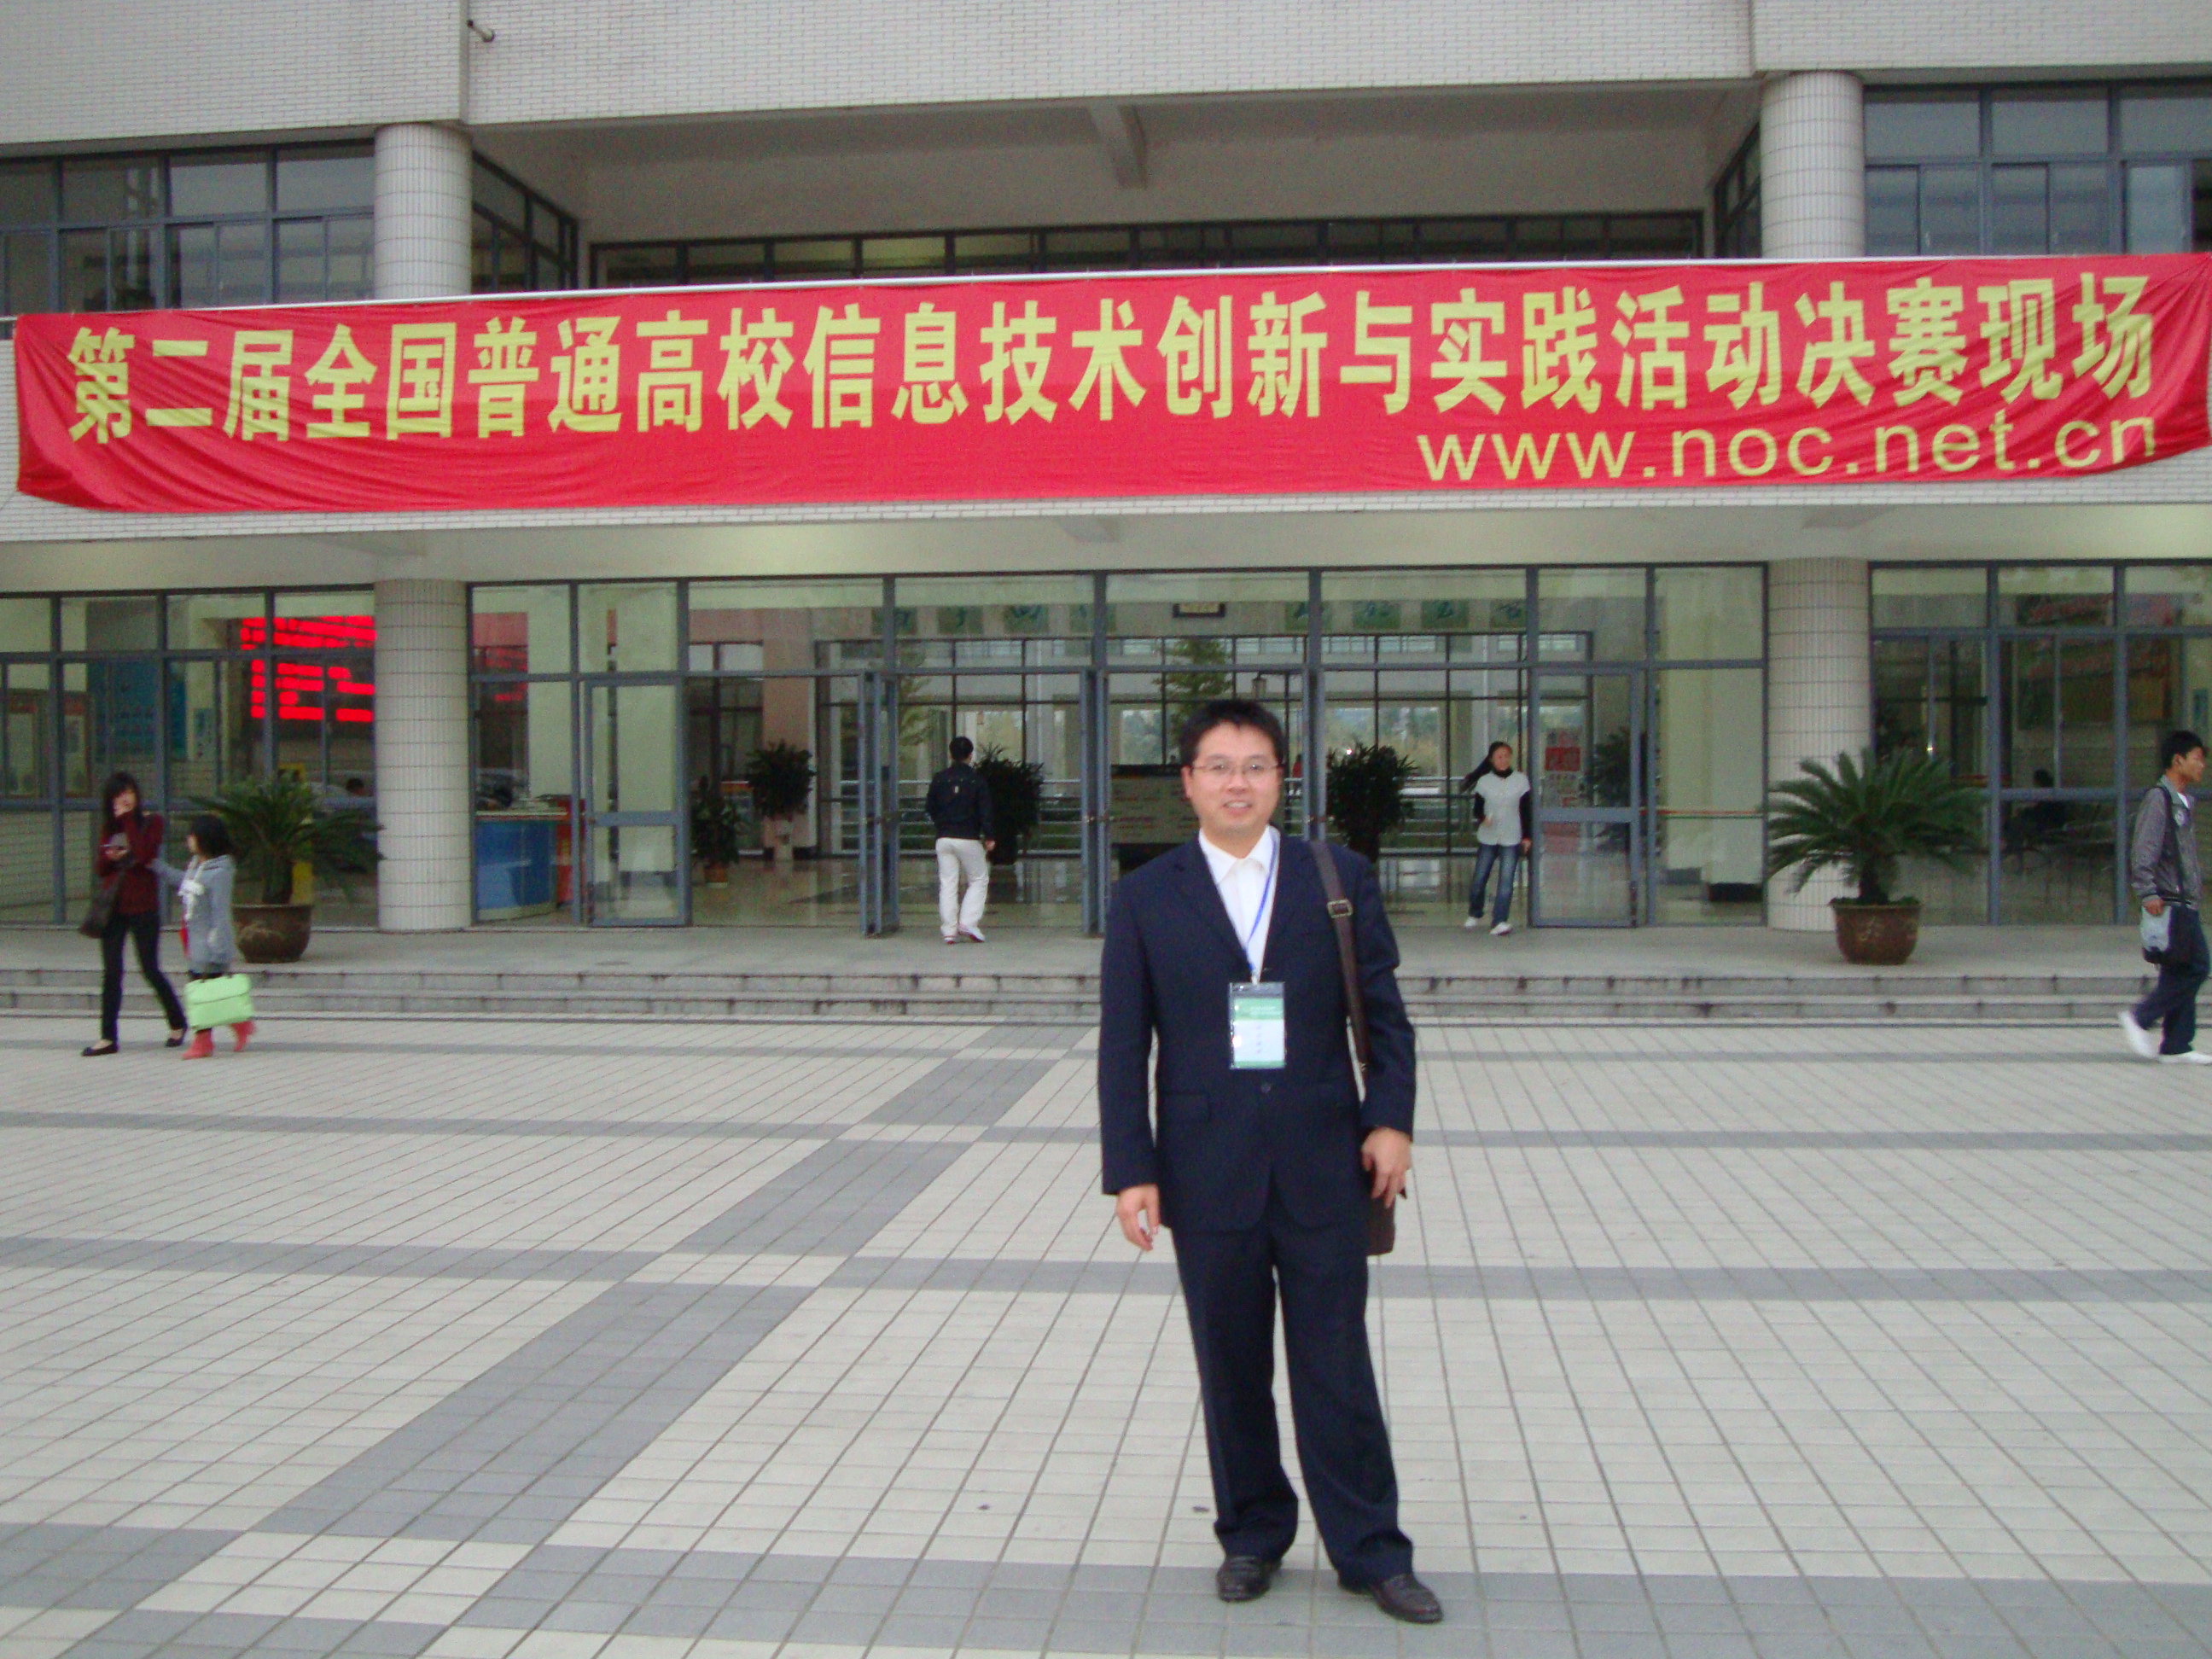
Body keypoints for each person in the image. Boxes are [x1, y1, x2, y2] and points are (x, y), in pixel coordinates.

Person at [1098, 697, 1441, 1627]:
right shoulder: (1146, 895)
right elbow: (1124, 1045)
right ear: (1187, 782)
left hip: (1324, 1159)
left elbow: (1386, 1016)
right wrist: (1132, 1169)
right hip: (1206, 1169)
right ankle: (1252, 1534)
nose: (1236, 783)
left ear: (1281, 778)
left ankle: (1372, 1550)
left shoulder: (1338, 879)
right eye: (1217, 766)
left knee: (1336, 1363)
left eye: (1254, 766)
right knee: (1232, 1367)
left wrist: (1391, 1120)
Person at [82, 771, 187, 1057]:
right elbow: (100, 869)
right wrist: (110, 857)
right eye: (118, 795)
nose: (124, 799)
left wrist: (129, 820)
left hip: (143, 908)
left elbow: (143, 855)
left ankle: (177, 1022)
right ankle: (107, 1037)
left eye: (128, 792)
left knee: (149, 967)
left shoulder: (153, 822)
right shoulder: (109, 827)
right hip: (113, 908)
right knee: (111, 972)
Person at [2123, 730, 2211, 1063]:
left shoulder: (2183, 801)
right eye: (2197, 758)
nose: (2202, 765)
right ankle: (2141, 1017)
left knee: (2180, 969)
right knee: (2197, 967)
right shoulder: (2159, 799)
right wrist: (2147, 891)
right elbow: (2144, 850)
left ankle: (2176, 1045)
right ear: (2178, 760)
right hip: (2170, 902)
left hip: (2185, 900)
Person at [155, 814, 253, 1060]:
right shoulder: (197, 866)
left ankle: (203, 1041)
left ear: (206, 839)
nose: (189, 839)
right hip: (195, 939)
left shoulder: (219, 872)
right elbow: (183, 882)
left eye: (193, 835)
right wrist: (155, 866)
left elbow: (221, 912)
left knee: (199, 994)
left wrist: (220, 949)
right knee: (210, 994)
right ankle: (239, 1025)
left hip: (209, 944)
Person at [925, 736, 995, 943]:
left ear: (951, 755)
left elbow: (930, 807)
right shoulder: (977, 780)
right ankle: (968, 922)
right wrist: (989, 835)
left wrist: (941, 824)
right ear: (970, 755)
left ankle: (949, 930)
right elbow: (985, 811)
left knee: (948, 882)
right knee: (979, 878)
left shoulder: (939, 778)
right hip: (968, 837)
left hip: (944, 837)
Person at [1461, 739, 1532, 935]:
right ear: (1491, 760)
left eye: (1506, 756)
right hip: (1488, 837)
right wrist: (1484, 819)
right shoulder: (1484, 782)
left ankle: (1499, 920)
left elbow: (1526, 811)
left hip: (1511, 836)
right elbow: (1477, 809)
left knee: (1506, 881)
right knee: (1479, 878)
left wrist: (1527, 836)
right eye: (1499, 757)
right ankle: (1475, 912)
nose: (1503, 760)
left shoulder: (1521, 781)